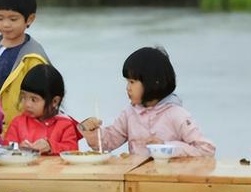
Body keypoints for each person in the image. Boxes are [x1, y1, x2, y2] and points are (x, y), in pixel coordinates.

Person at [79, 47, 215, 156]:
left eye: (132, 82)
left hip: (171, 182)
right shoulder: (130, 113)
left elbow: (206, 149)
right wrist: (90, 130)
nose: (128, 88)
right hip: (137, 182)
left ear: (151, 82)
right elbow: (107, 143)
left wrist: (166, 147)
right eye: (127, 82)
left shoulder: (177, 115)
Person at [0, 0, 49, 133]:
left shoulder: (34, 59)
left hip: (22, 134)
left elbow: (46, 103)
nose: (6, 24)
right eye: (0, 18)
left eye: (13, 19)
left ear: (29, 19)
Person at [3, 64, 81, 154]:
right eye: (23, 97)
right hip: (24, 168)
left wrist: (51, 146)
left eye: (33, 99)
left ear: (54, 101)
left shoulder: (65, 125)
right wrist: (18, 148)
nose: (27, 104)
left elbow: (73, 150)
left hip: (56, 168)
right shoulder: (17, 123)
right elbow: (6, 148)